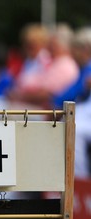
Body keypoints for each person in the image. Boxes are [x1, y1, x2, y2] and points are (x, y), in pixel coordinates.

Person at [54, 27, 91, 178]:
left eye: (76, 48)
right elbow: (65, 96)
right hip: (83, 111)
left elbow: (67, 96)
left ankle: (78, 183)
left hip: (84, 116)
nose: (73, 53)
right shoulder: (84, 69)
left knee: (72, 127)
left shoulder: (87, 69)